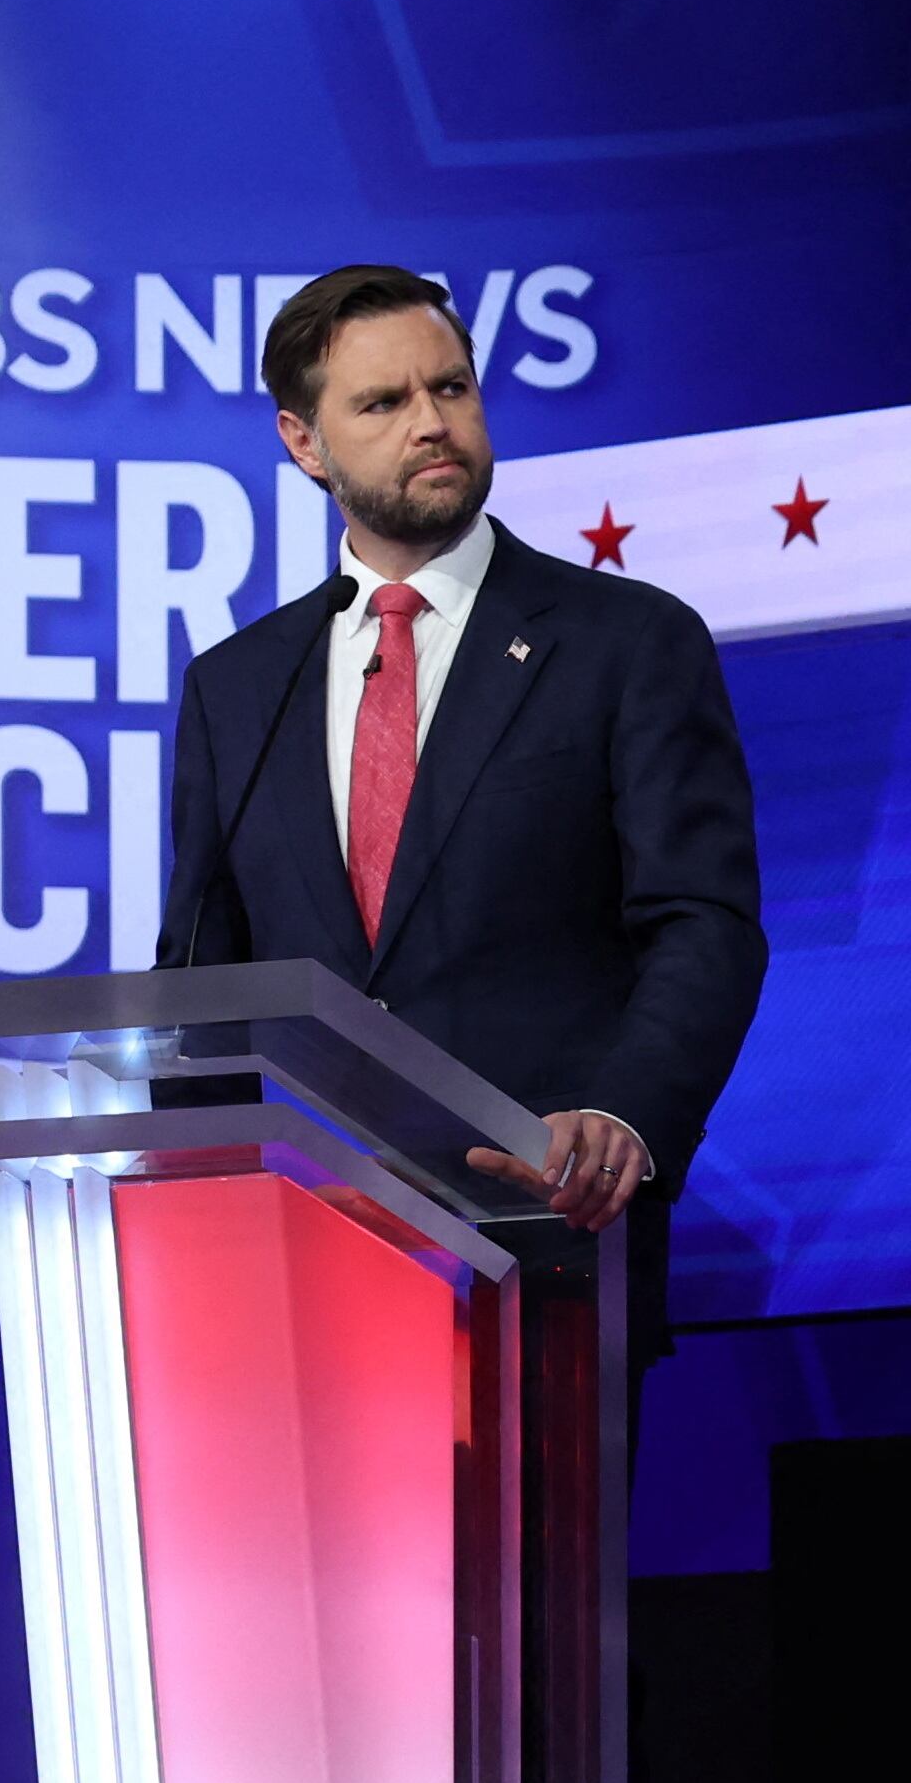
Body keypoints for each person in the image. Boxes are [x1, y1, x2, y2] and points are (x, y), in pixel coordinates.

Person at [159, 264, 764, 1251]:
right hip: (299, 1252)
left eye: (450, 387)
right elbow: (204, 981)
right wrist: (185, 1197)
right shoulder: (236, 690)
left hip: (552, 1232)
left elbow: (703, 922)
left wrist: (622, 1116)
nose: (431, 422)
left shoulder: (626, 642)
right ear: (302, 441)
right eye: (383, 402)